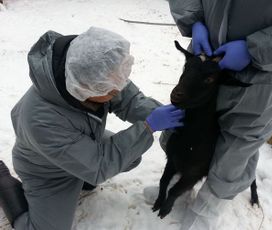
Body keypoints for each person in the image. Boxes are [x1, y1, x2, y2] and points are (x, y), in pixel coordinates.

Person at [0, 27, 185, 230]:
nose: (118, 90)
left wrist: (170, 117)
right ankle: (3, 181)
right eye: (111, 89)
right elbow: (99, 166)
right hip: (48, 171)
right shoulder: (41, 120)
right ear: (84, 89)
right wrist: (148, 127)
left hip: (80, 143)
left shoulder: (97, 70)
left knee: (131, 155)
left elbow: (129, 100)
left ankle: (82, 177)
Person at [164, 0, 272, 229]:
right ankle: (177, 183)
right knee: (186, 123)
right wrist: (193, 19)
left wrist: (258, 48)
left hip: (258, 75)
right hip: (202, 60)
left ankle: (208, 206)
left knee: (238, 144)